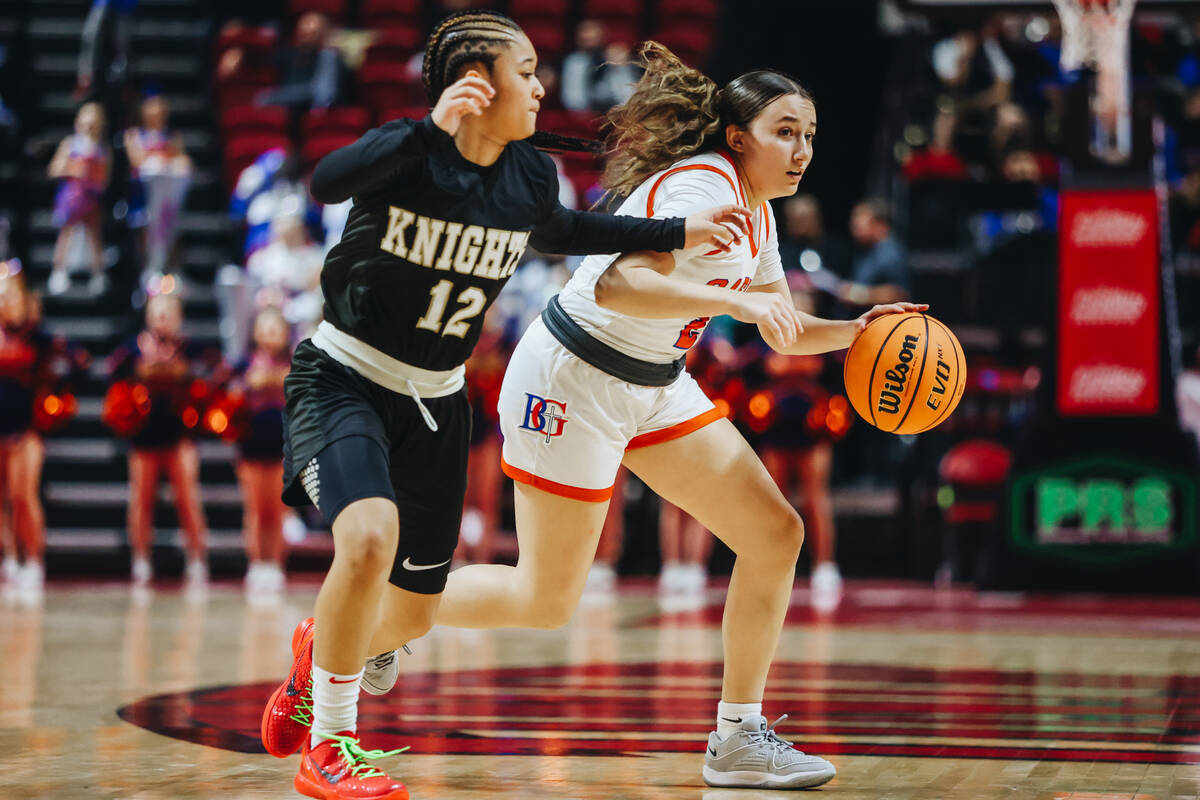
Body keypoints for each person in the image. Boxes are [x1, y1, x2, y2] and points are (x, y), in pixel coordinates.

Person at [257, 11, 750, 800]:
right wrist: (425, 130)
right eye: (525, 71)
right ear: (477, 86)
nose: (540, 84)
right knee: (368, 537)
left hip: (438, 403)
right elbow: (326, 181)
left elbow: (560, 229)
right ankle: (331, 748)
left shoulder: (526, 175)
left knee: (414, 617)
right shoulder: (408, 153)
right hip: (344, 377)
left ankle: (319, 655)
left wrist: (676, 226)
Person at [423, 42, 928, 789]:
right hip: (573, 378)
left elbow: (776, 320)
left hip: (654, 381)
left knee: (773, 533)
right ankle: (380, 617)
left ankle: (737, 738)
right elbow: (619, 289)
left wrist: (860, 332)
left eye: (811, 134)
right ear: (737, 138)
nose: (802, 149)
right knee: (544, 598)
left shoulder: (757, 213)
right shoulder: (699, 188)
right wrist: (731, 299)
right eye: (785, 131)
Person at [106, 292, 210, 587]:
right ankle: (141, 559)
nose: (163, 317)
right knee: (141, 498)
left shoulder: (189, 349)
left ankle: (197, 559)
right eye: (157, 311)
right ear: (148, 315)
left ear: (178, 316)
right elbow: (110, 373)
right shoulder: (133, 348)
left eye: (168, 311)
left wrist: (187, 375)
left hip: (180, 436)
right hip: (143, 438)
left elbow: (215, 372)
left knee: (188, 497)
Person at [0, 272, 88, 598]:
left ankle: (34, 560)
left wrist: (58, 394)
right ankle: (9, 559)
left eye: (12, 297)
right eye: (2, 298)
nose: (6, 303)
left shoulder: (37, 336)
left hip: (26, 431)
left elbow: (80, 361)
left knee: (23, 497)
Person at [229, 306, 293, 595]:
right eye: (265, 328)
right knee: (255, 509)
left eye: (275, 329)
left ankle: (276, 565)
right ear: (255, 332)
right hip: (252, 445)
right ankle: (257, 563)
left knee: (278, 511)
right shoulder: (244, 364)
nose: (270, 335)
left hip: (283, 447)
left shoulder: (296, 364)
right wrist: (244, 386)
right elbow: (228, 398)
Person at [124, 94, 191, 279]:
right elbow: (136, 160)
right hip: (144, 194)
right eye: (153, 110)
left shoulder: (172, 136)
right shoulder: (134, 135)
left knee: (171, 228)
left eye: (161, 110)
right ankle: (148, 270)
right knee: (146, 230)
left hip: (167, 195)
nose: (157, 114)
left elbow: (183, 160)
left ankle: (173, 271)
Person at [47, 102, 110, 296]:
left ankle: (98, 273)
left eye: (93, 124)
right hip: (72, 197)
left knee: (94, 236)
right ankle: (59, 271)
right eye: (86, 123)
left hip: (90, 197)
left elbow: (104, 178)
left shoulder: (102, 149)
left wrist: (94, 176)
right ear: (78, 123)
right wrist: (74, 168)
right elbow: (54, 169)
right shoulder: (70, 144)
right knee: (66, 234)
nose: (89, 128)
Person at [838, 197, 911, 308]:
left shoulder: (890, 254)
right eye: (854, 225)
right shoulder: (863, 249)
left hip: (887, 322)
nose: (855, 230)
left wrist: (857, 295)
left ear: (880, 225)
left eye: (860, 226)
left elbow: (898, 293)